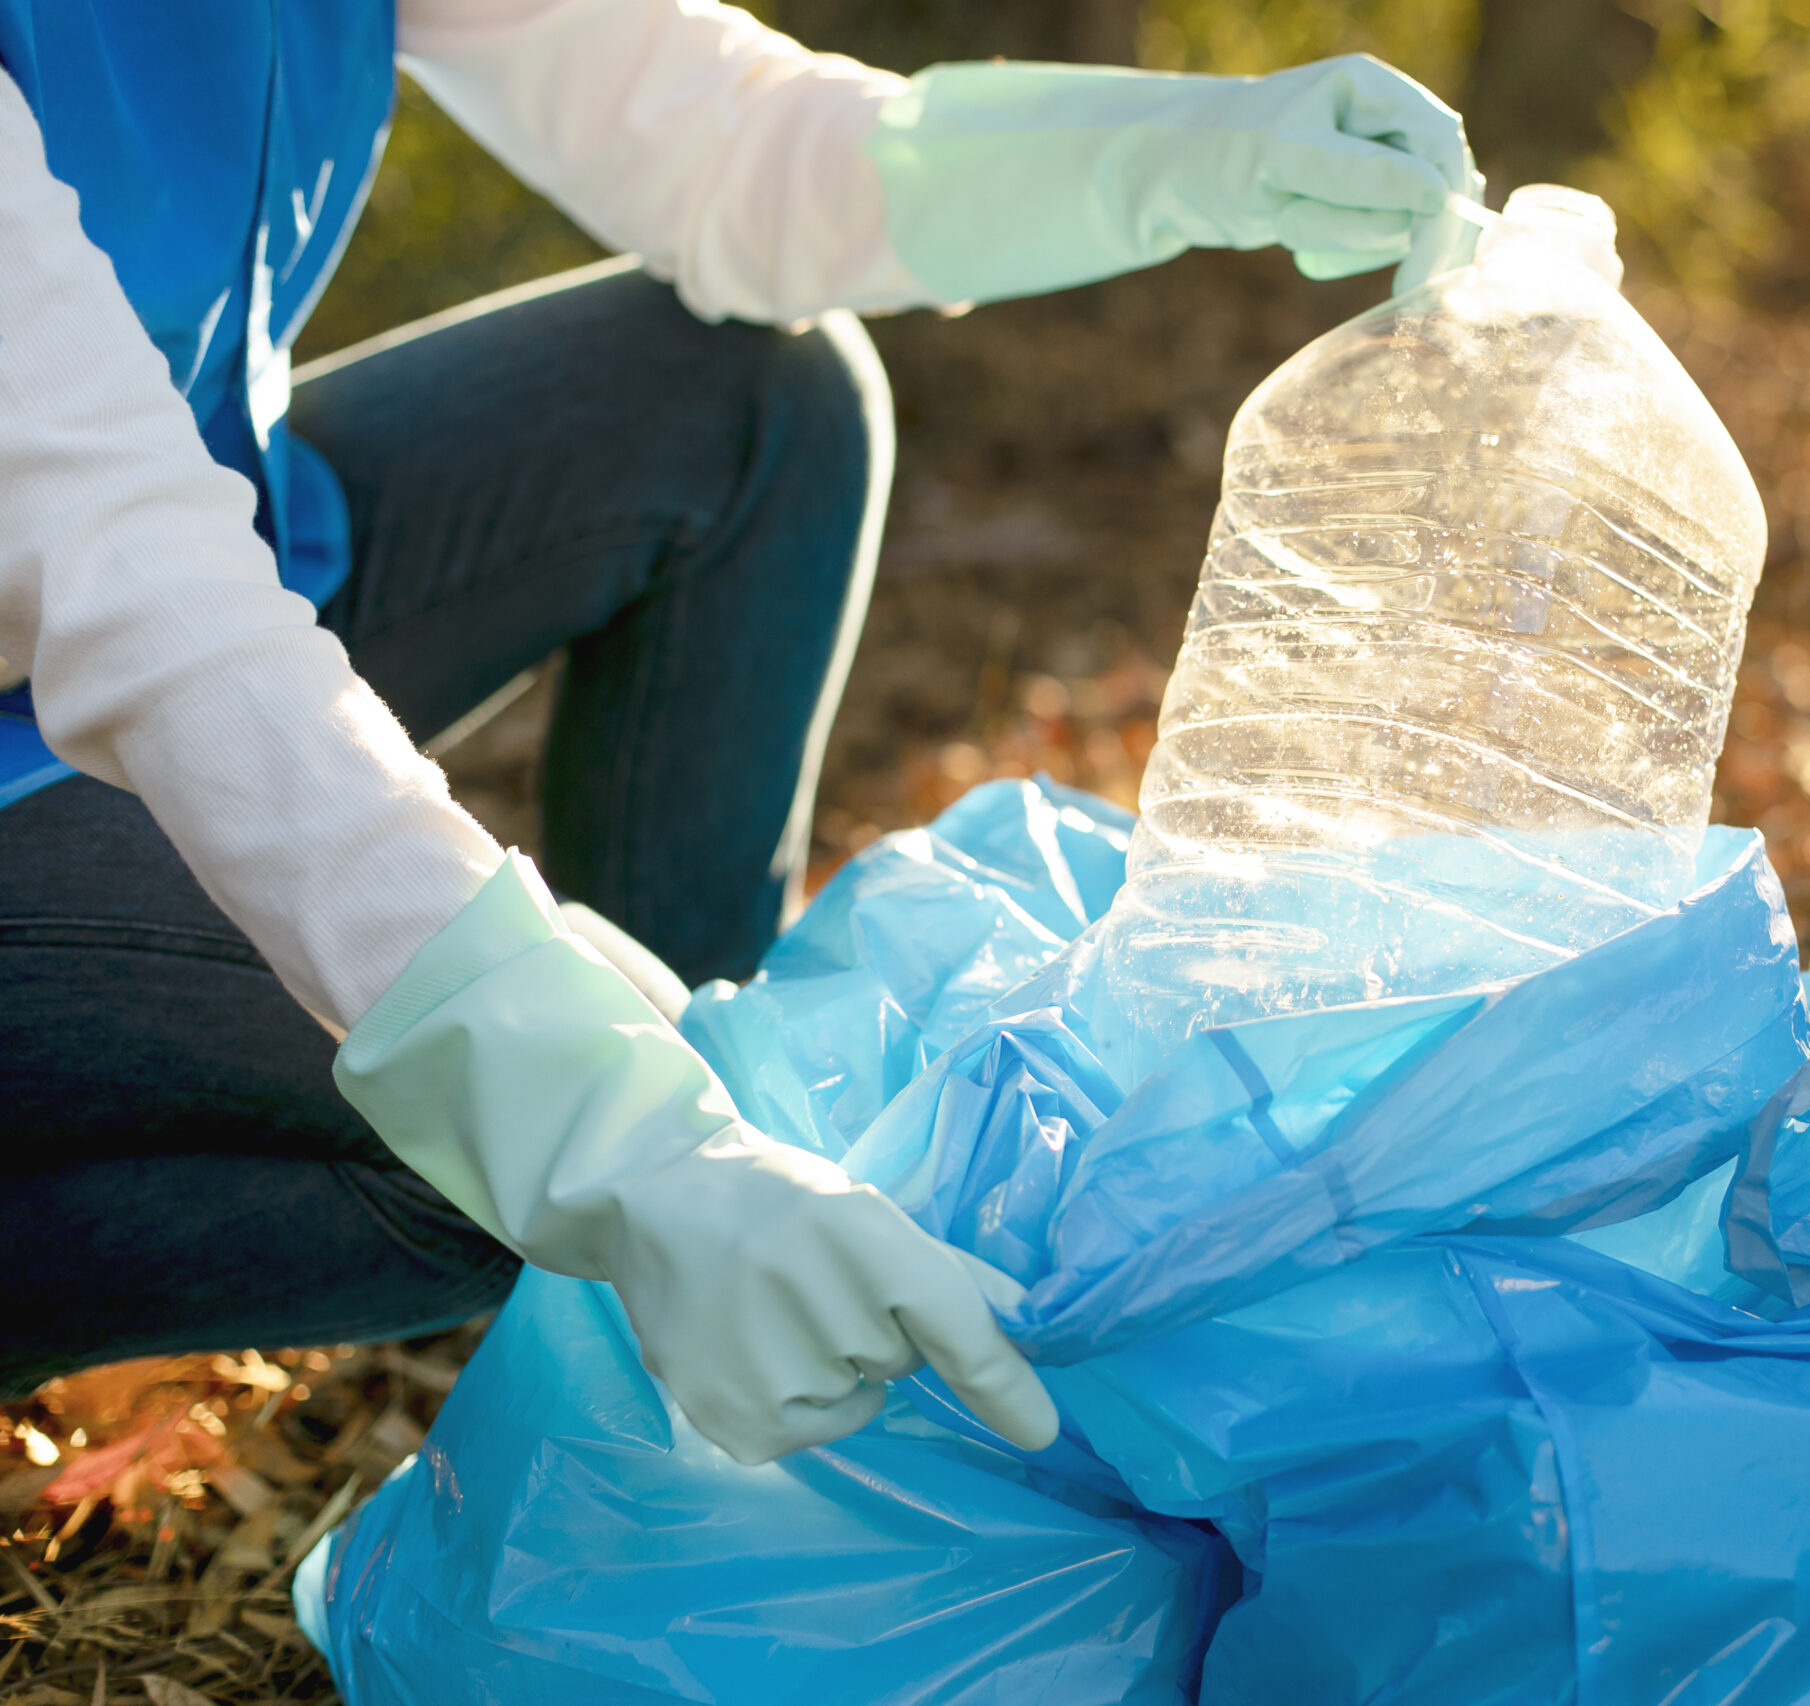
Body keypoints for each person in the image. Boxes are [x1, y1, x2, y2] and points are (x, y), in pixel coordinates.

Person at [0, 0, 1478, 1465]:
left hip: (199, 579)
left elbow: (732, 139)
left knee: (759, 402)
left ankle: (764, 1229)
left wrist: (1185, 150)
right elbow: (122, 571)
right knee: (495, 1146)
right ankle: (648, 1248)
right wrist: (626, 1144)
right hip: (104, 639)